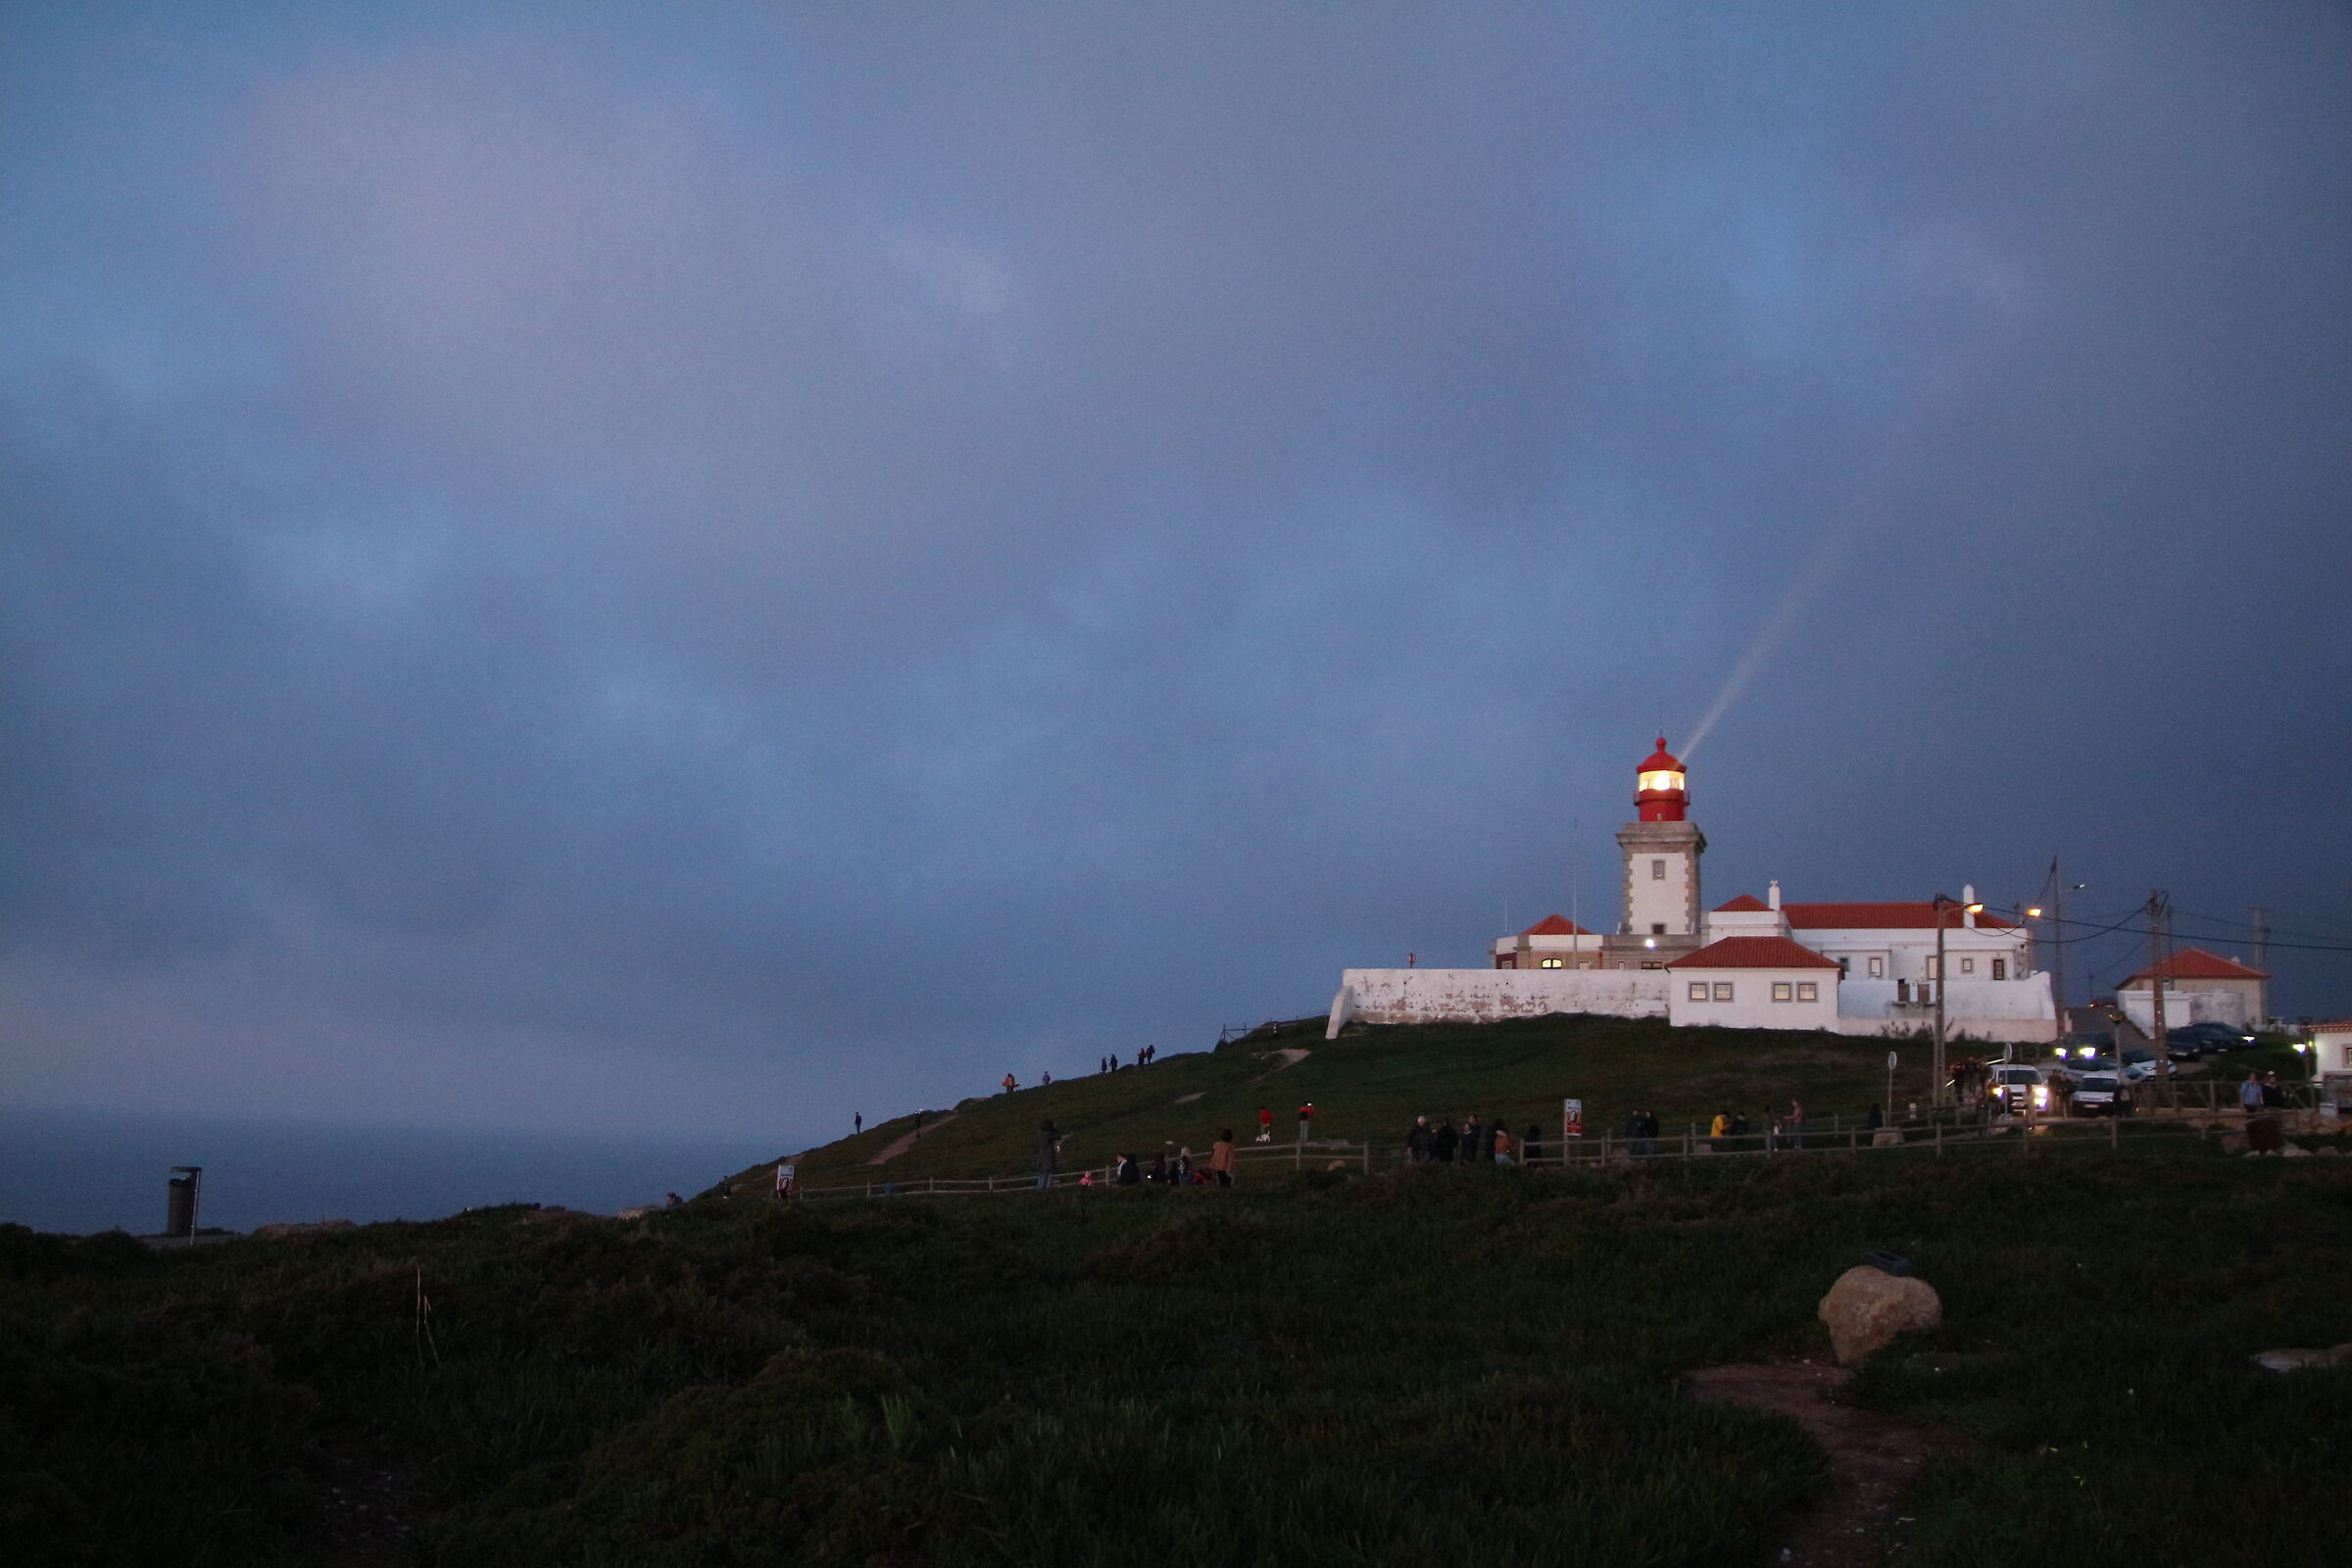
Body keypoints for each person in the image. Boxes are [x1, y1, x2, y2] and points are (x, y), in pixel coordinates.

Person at [1036, 1120, 1060, 1192]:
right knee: (1047, 1174)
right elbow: (1058, 1136)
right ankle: (1044, 1189)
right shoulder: (1049, 1134)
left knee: (1041, 1174)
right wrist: (1056, 1129)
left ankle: (1039, 1188)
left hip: (1041, 1157)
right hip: (1048, 1157)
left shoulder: (1041, 1134)